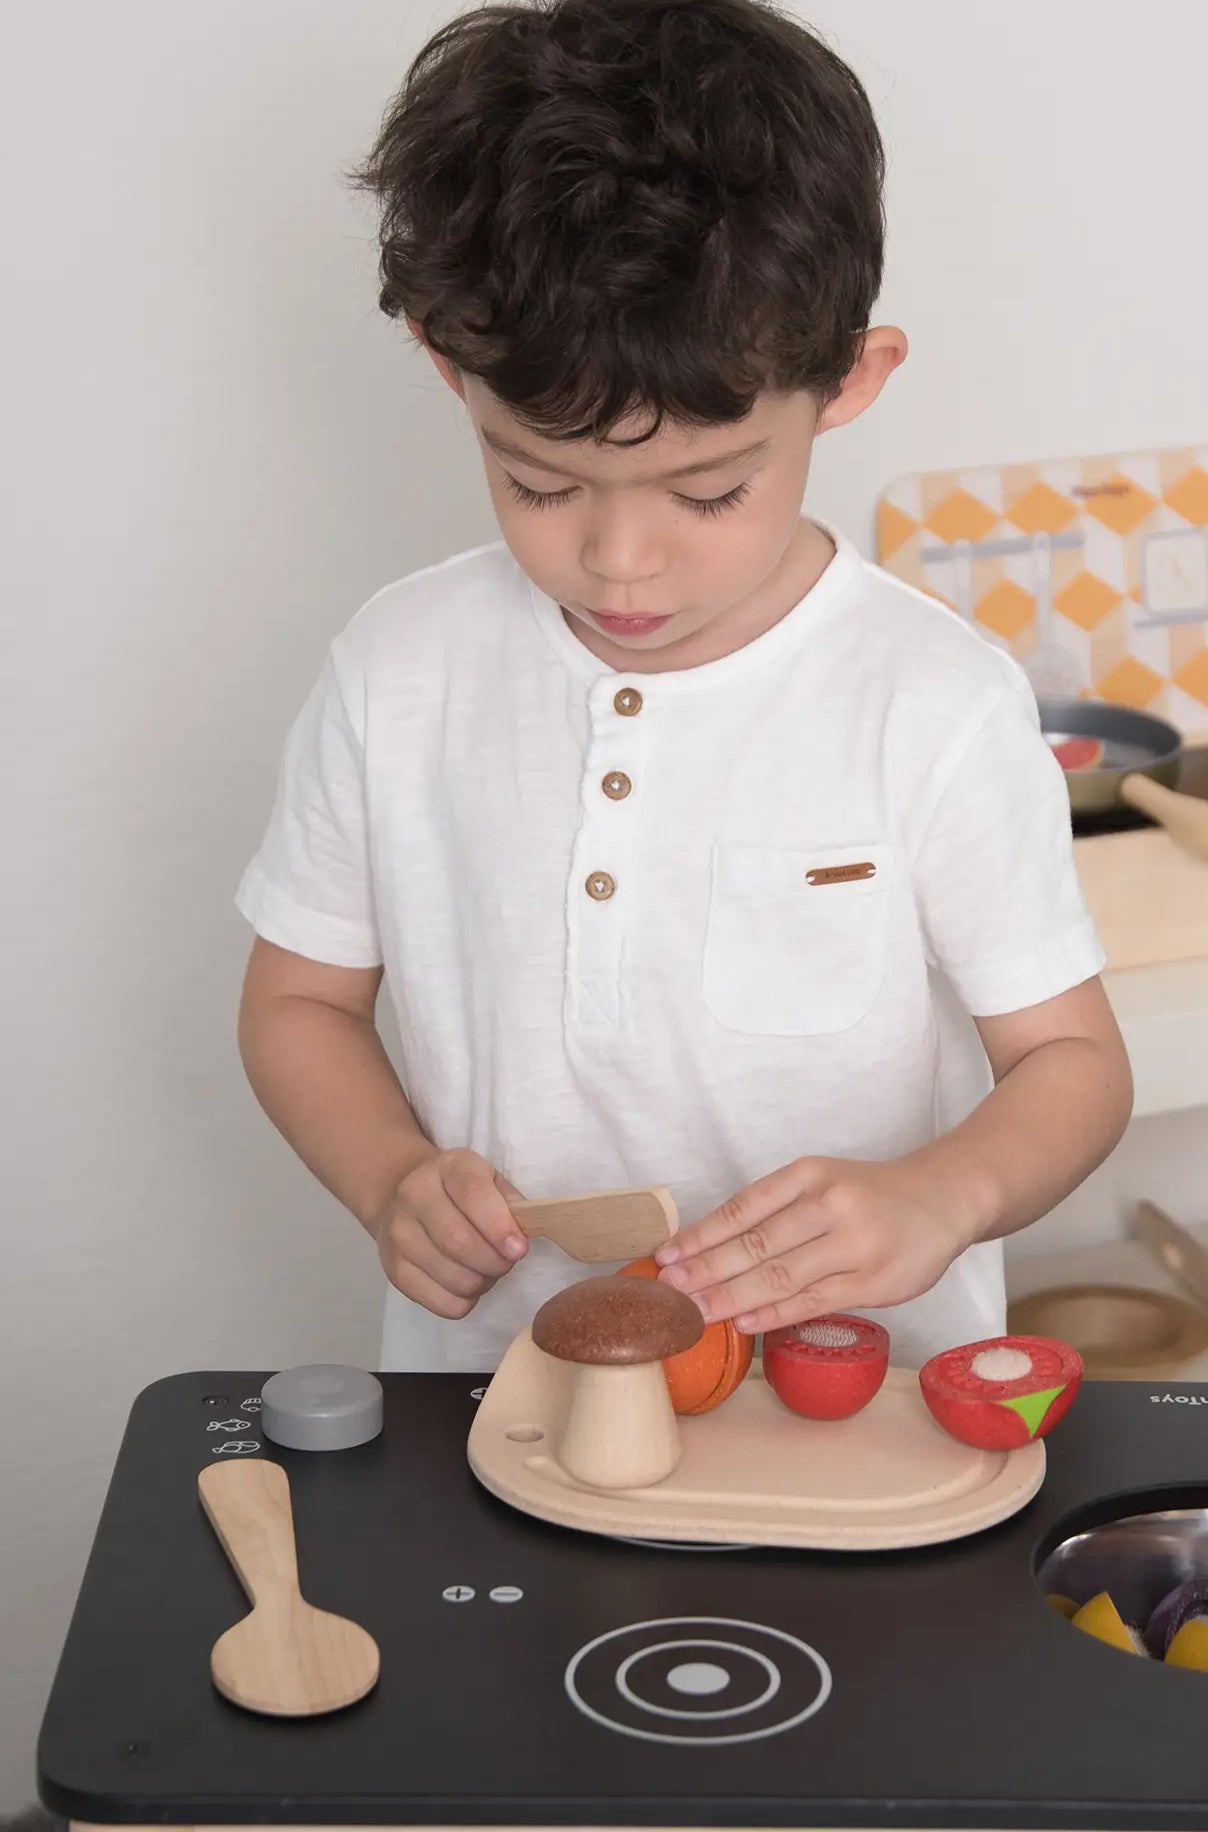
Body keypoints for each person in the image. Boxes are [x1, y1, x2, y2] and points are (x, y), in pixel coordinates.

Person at [235, 0, 1134, 1373]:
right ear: (444, 364)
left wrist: (942, 1194)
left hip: (854, 1403)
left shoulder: (930, 700)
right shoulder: (398, 670)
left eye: (709, 489)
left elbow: (1072, 1068)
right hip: (498, 1396)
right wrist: (387, 1177)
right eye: (539, 480)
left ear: (849, 382)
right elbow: (298, 1006)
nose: (617, 556)